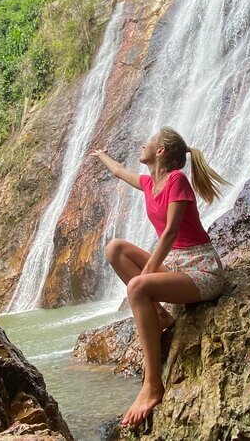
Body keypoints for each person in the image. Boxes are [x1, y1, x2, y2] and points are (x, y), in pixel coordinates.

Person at [89, 126, 229, 427]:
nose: (143, 144)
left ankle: (152, 385)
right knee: (115, 249)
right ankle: (161, 317)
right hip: (176, 265)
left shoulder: (176, 180)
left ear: (161, 151)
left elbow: (170, 233)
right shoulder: (149, 182)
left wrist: (147, 277)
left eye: (149, 141)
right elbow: (119, 172)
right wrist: (102, 156)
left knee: (138, 287)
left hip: (201, 269)